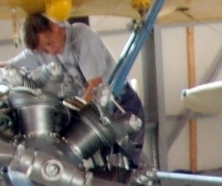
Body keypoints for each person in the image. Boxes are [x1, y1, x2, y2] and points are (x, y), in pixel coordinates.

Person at [9, 12, 147, 162]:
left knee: (126, 164)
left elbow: (95, 85)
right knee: (102, 168)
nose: (49, 52)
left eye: (48, 44)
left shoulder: (81, 36)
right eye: (43, 50)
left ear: (54, 26)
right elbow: (9, 69)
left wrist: (76, 119)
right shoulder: (42, 51)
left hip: (120, 106)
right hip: (91, 114)